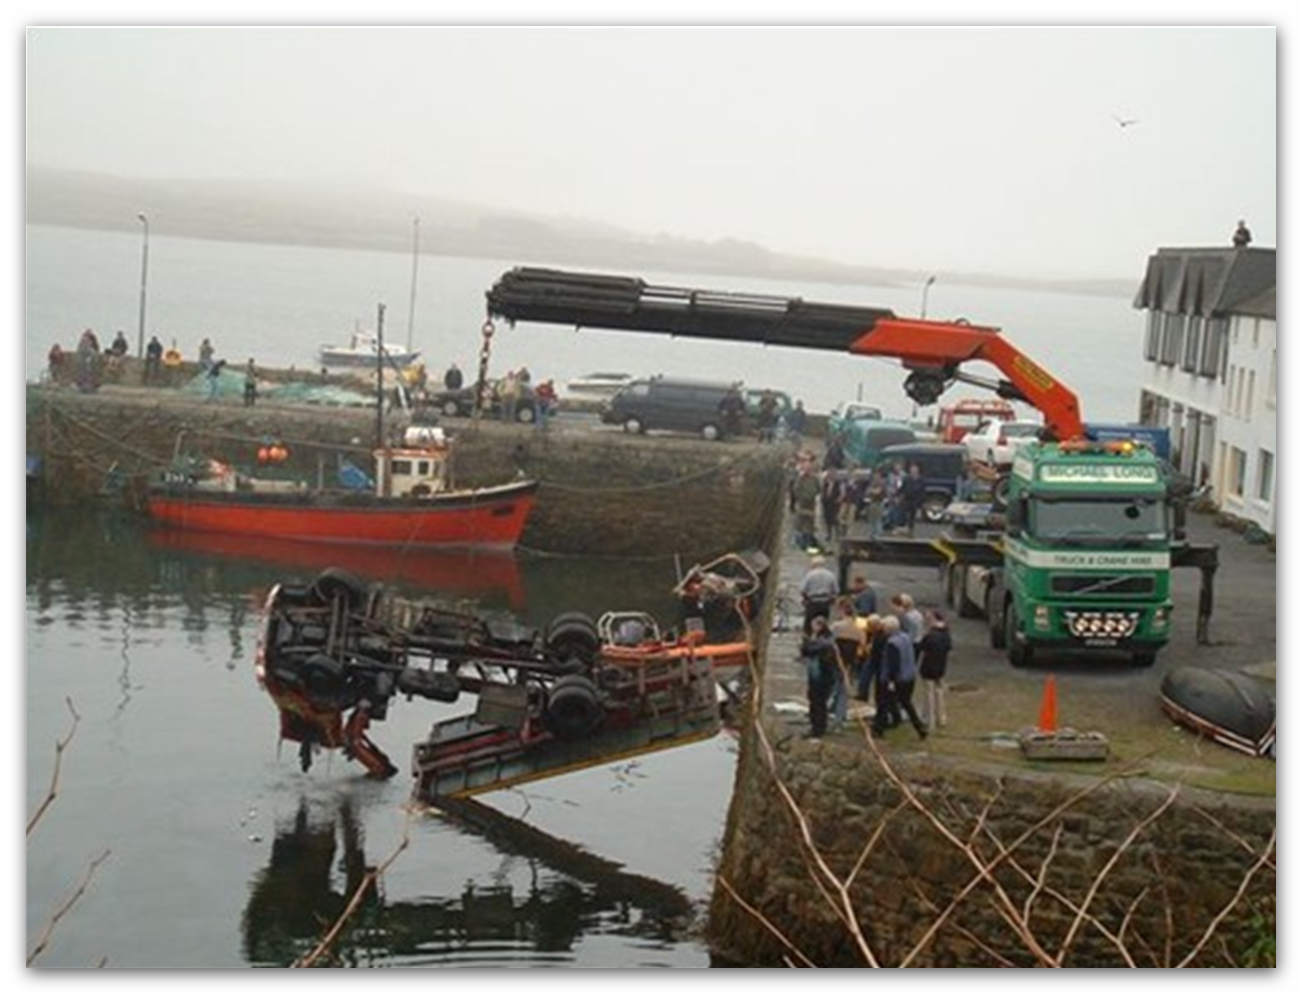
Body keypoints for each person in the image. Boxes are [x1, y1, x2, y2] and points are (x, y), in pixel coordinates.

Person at [872, 615, 928, 740]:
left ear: (888, 628)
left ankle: (878, 729)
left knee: (883, 703)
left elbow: (893, 663)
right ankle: (919, 727)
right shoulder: (905, 637)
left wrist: (890, 680)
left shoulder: (892, 643)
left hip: (897, 678)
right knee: (906, 702)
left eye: (884, 627)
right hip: (909, 676)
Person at [829, 597, 866, 727]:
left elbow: (829, 642)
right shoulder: (859, 629)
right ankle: (840, 716)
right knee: (844, 690)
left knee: (833, 687)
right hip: (851, 663)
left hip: (836, 661)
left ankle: (831, 711)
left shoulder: (836, 627)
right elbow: (863, 645)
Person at [800, 615, 837, 740]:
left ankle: (818, 728)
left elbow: (807, 649)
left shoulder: (824, 641)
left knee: (818, 703)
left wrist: (807, 642)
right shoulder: (824, 639)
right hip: (818, 675)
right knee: (816, 702)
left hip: (821, 677)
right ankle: (816, 726)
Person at [917, 609, 953, 731]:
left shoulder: (930, 635)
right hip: (941, 665)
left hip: (928, 667)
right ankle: (942, 718)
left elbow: (921, 647)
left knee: (929, 694)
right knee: (940, 692)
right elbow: (949, 647)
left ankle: (929, 720)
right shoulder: (946, 633)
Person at [798, 553, 839, 635]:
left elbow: (802, 590)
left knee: (808, 625)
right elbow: (836, 591)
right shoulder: (831, 575)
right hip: (825, 603)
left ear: (814, 564)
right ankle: (821, 640)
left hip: (813, 602)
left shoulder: (810, 575)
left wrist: (806, 599)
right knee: (823, 624)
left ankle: (808, 640)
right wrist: (831, 601)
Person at [789, 454, 821, 550]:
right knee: (800, 522)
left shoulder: (814, 479)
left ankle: (808, 540)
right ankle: (799, 540)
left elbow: (819, 489)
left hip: (811, 503)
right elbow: (795, 490)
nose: (807, 470)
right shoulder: (800, 478)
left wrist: (814, 495)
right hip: (802, 502)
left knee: (810, 523)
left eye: (809, 468)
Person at [898, 462, 927, 536]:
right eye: (912, 469)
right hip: (907, 500)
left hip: (916, 501)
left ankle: (911, 531)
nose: (913, 470)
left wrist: (921, 501)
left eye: (915, 469)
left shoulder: (921, 480)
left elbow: (923, 491)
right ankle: (905, 529)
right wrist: (898, 495)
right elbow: (902, 488)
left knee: (913, 517)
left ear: (918, 470)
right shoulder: (907, 479)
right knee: (904, 515)